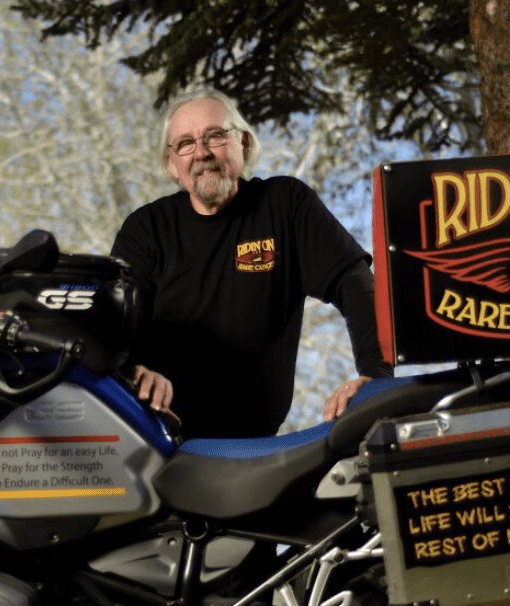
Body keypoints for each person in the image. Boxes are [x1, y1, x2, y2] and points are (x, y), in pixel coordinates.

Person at [112, 88, 392, 440]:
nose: (201, 153)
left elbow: (353, 283)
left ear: (242, 143)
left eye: (214, 136)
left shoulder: (284, 205)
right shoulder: (146, 229)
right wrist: (132, 370)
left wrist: (376, 379)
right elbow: (114, 316)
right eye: (184, 143)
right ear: (171, 165)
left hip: (253, 449)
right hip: (157, 438)